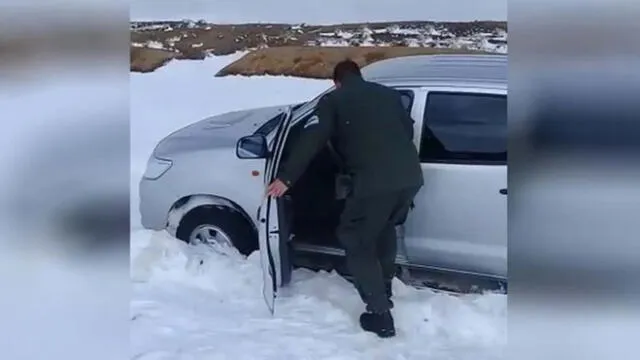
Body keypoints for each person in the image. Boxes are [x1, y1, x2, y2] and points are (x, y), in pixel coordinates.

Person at [266, 59, 424, 338]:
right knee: (383, 227)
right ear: (358, 75)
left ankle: (380, 315)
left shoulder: (333, 101)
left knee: (356, 239)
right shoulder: (388, 95)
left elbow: (312, 139)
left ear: (336, 81)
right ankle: (384, 285)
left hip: (373, 184)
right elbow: (407, 131)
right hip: (409, 179)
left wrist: (286, 178)